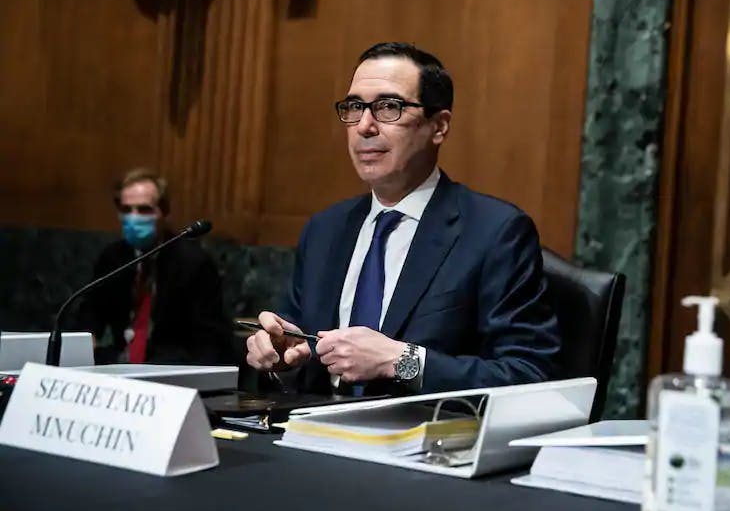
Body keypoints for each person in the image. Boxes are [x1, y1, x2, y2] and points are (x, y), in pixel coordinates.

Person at [246, 42, 560, 395]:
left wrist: (401, 361)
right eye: (354, 107)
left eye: (388, 107)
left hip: (425, 441)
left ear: (438, 127)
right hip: (315, 435)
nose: (364, 126)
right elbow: (301, 358)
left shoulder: (495, 232)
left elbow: (529, 376)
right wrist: (283, 359)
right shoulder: (326, 230)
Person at [77, 168, 233, 365]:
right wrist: (85, 340)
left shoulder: (192, 262)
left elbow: (209, 338)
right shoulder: (113, 257)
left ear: (164, 212)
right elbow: (90, 314)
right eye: (126, 210)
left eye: (144, 210)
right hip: (118, 363)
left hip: (171, 366)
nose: (134, 218)